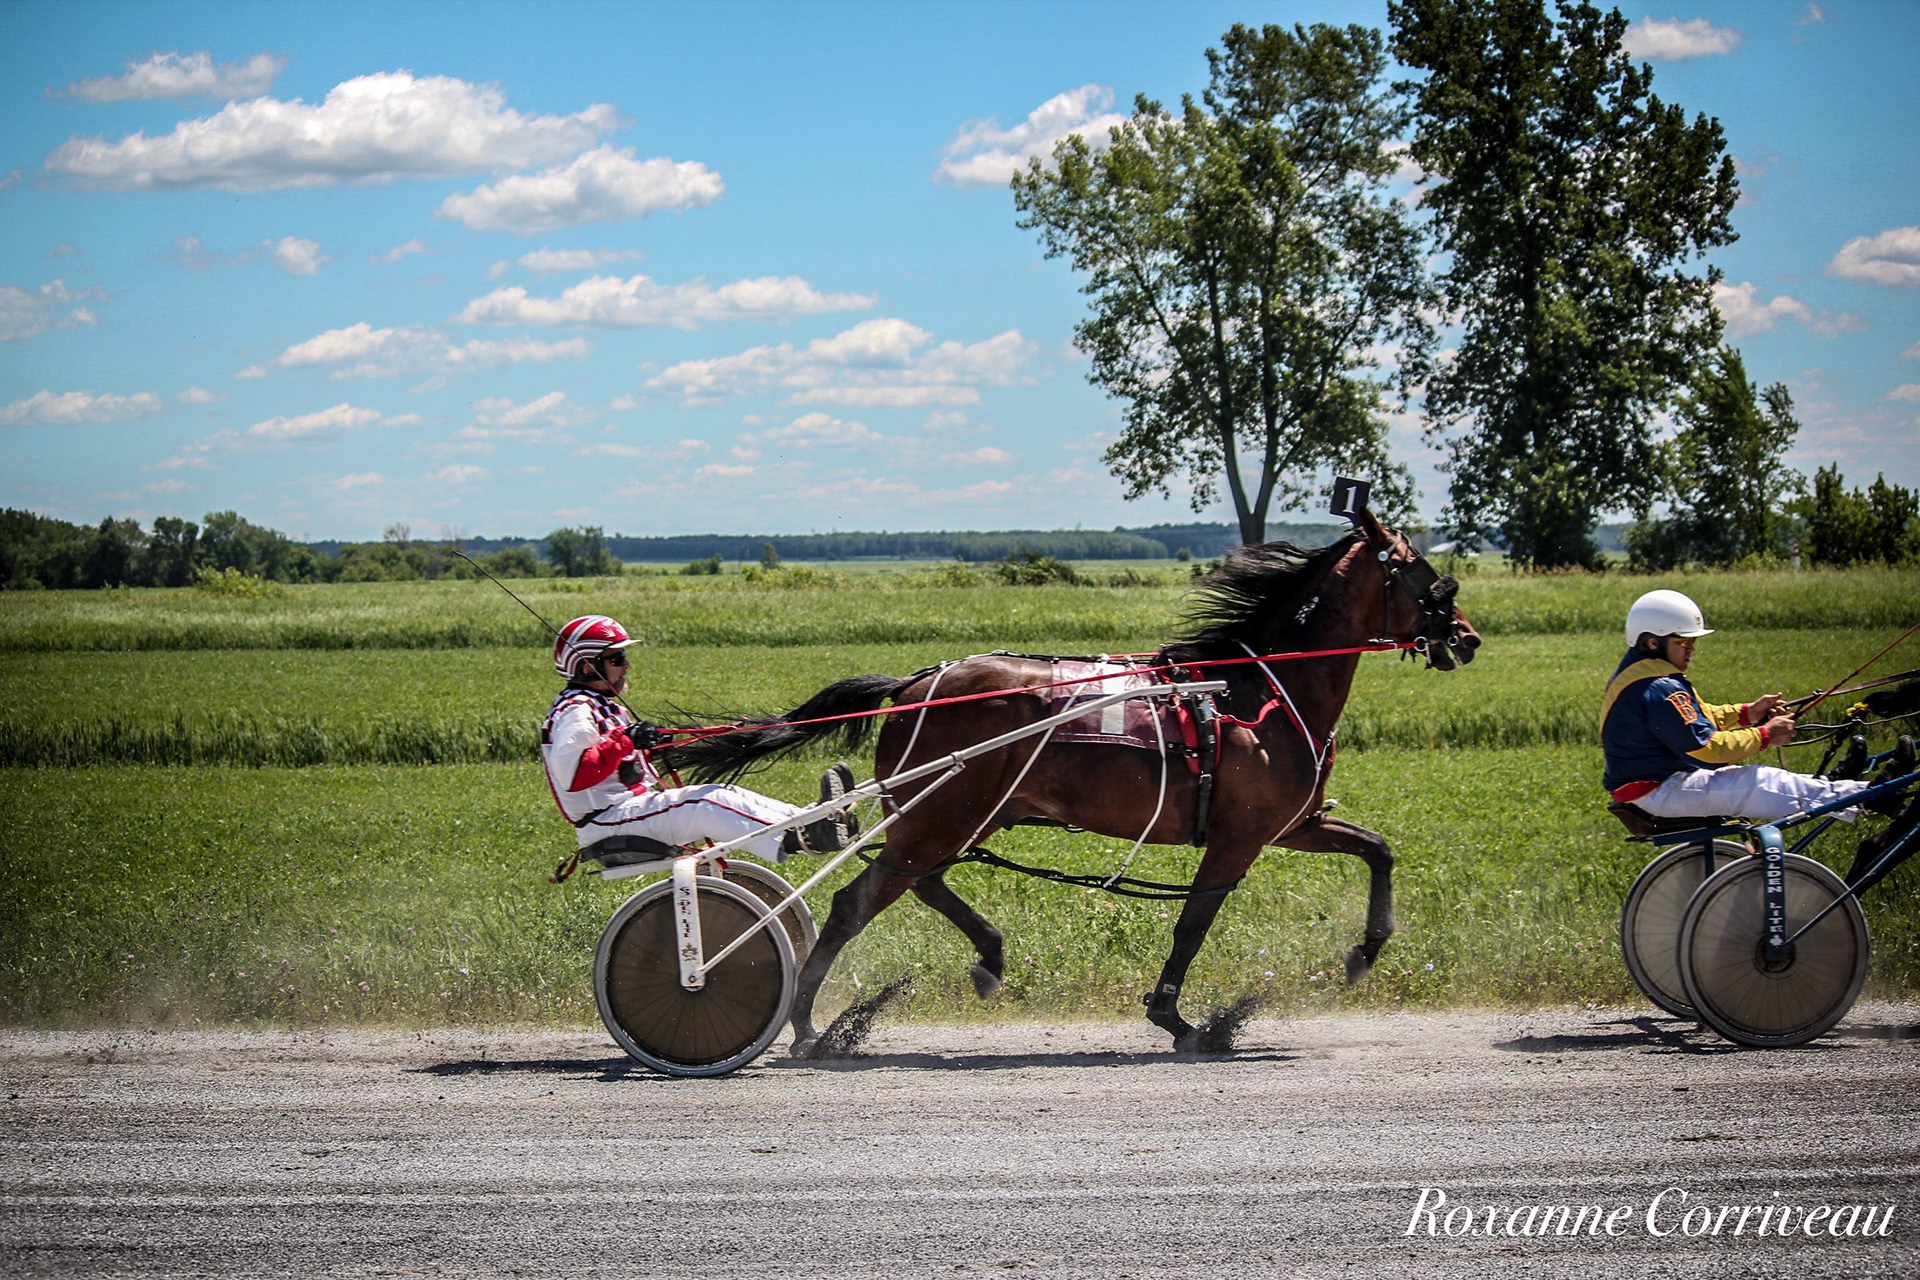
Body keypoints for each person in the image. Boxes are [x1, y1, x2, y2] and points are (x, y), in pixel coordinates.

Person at [542, 615, 858, 865]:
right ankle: (804, 836)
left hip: (625, 812)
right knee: (705, 802)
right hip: (607, 821)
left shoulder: (599, 705)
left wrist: (644, 743)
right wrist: (627, 741)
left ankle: (814, 821)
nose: (626, 664)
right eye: (617, 657)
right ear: (586, 665)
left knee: (722, 793)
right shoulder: (576, 710)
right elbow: (574, 775)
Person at [1601, 590, 1913, 824]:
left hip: (1660, 783)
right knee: (1756, 782)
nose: (1692, 648)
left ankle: (1835, 788)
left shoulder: (1648, 676)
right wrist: (1764, 735)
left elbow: (1699, 717)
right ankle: (1871, 795)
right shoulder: (1657, 688)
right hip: (1657, 791)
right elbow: (1707, 749)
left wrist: (1748, 712)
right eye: (1684, 641)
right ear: (1653, 642)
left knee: (1754, 780)